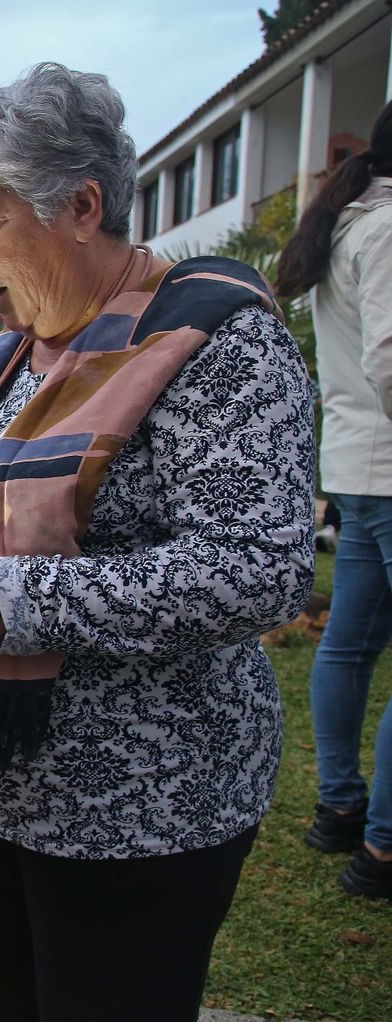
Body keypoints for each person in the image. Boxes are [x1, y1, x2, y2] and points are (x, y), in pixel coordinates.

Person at [0, 63, 314, 1020]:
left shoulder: (213, 338)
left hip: (144, 803)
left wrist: (11, 601)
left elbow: (258, 568)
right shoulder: (12, 353)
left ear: (80, 205)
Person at [277, 98, 392, 901]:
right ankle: (382, 849)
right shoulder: (386, 230)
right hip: (384, 465)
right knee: (348, 646)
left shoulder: (350, 225)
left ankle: (342, 809)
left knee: (348, 643)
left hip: (360, 465)